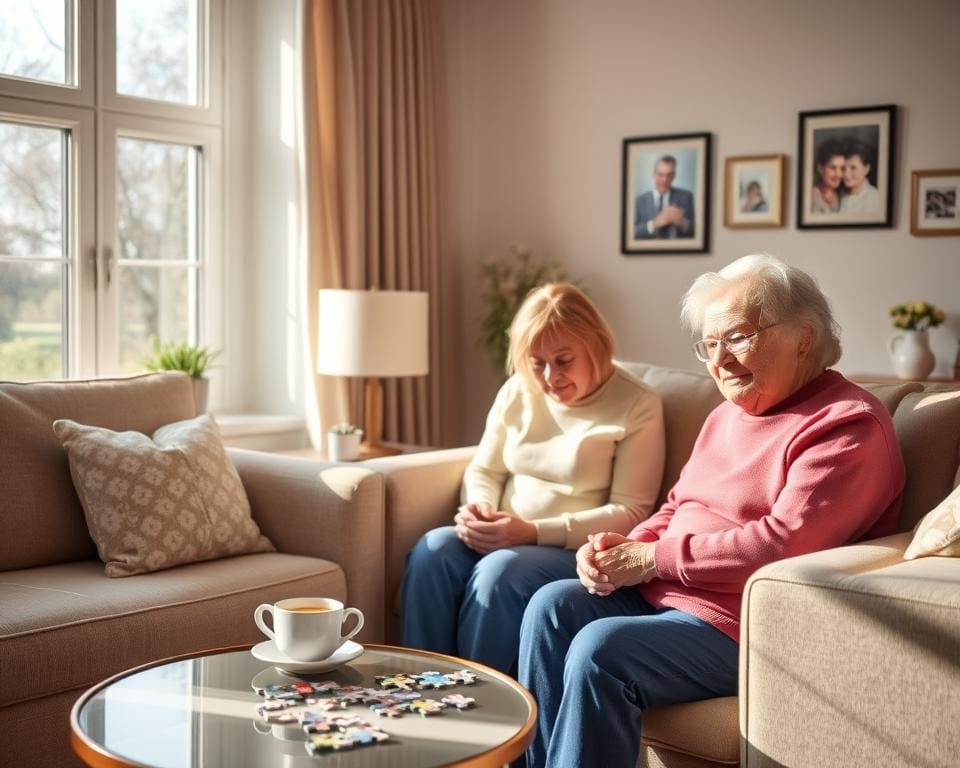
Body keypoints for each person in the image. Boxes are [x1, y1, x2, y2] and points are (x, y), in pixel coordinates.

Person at [518, 254, 906, 768]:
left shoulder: (846, 425)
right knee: (551, 606)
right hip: (670, 600)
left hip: (745, 624)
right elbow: (680, 505)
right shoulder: (726, 414)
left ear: (803, 337)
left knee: (602, 647)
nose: (720, 359)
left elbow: (782, 542)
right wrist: (622, 546)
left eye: (738, 337)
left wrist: (653, 559)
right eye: (709, 344)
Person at [400, 283, 665, 675]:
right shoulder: (518, 390)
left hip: (565, 548)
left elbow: (631, 511)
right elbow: (484, 469)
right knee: (433, 549)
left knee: (500, 572)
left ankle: (481, 712)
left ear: (595, 346)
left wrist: (530, 532)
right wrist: (479, 508)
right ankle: (418, 688)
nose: (548, 377)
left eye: (563, 361)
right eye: (536, 362)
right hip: (505, 533)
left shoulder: (638, 405)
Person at [634, 155, 695, 239]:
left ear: (674, 176)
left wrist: (683, 222)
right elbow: (631, 233)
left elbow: (697, 231)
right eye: (660, 175)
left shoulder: (687, 197)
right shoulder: (639, 201)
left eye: (669, 175)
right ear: (653, 175)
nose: (665, 180)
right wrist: (654, 224)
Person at [839, 141, 881, 214]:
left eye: (853, 168)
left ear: (866, 169)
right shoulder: (841, 197)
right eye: (843, 168)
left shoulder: (875, 198)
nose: (846, 174)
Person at [810, 138, 845, 213]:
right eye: (833, 168)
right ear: (821, 169)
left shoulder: (844, 195)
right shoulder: (812, 196)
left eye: (842, 168)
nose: (838, 174)